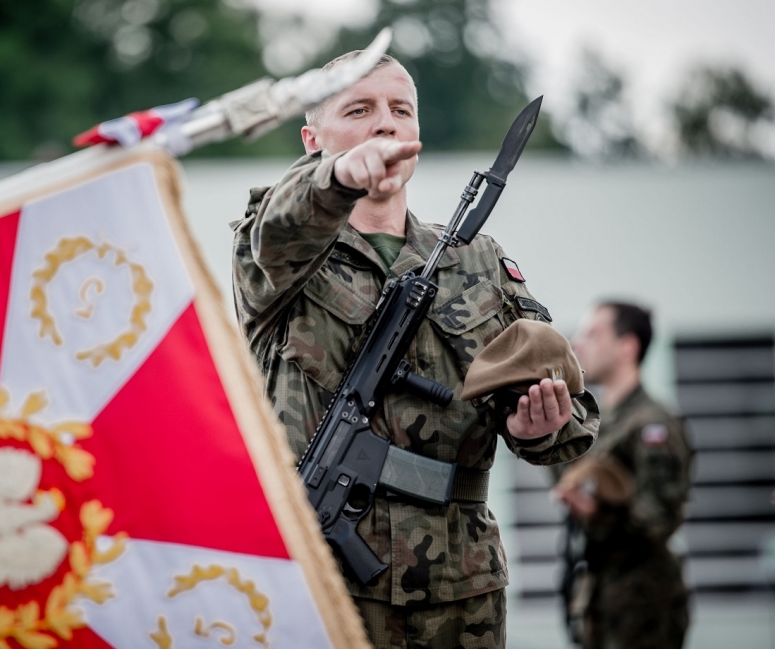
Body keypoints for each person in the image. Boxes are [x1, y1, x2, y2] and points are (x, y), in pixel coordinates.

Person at [231, 50, 600, 648]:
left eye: (401, 110)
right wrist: (338, 179)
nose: (385, 123)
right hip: (320, 586)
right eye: (360, 109)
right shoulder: (276, 251)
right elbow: (282, 224)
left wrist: (543, 426)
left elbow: (570, 415)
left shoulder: (478, 262)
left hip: (460, 593)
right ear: (311, 139)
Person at [554, 301, 693, 649]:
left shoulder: (652, 424)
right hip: (603, 595)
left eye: (593, 333)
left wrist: (596, 514)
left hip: (642, 604)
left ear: (627, 347)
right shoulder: (603, 422)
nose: (578, 342)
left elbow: (659, 518)